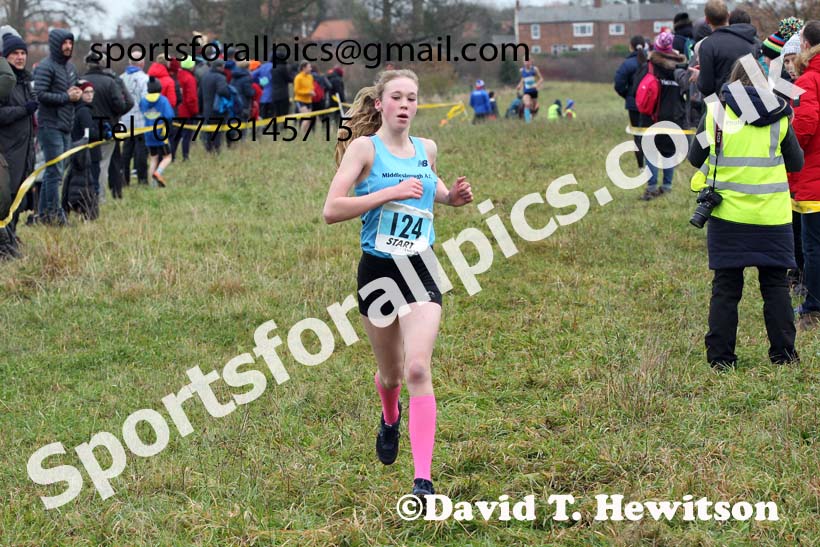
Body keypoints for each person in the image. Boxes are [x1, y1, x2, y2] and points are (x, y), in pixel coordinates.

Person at [322, 69, 473, 500]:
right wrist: (387, 194)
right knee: (390, 376)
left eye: (412, 97)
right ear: (379, 104)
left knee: (418, 368)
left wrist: (454, 198)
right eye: (398, 98)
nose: (406, 105)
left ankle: (422, 481)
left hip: (420, 268)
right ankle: (390, 418)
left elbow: (433, 192)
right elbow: (332, 209)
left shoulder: (427, 148)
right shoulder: (363, 149)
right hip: (378, 274)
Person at [689, 59, 803, 369]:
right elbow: (796, 164)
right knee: (776, 286)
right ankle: (784, 355)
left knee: (726, 288)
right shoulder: (780, 117)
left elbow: (693, 156)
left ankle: (721, 359)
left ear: (732, 80)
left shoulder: (715, 112)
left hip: (728, 216)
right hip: (772, 217)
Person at [32, 28, 81, 225]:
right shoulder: (46, 67)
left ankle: (44, 214)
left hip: (66, 124)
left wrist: (77, 95)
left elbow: (71, 91)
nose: (68, 46)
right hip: (49, 125)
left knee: (55, 171)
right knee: (55, 172)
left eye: (70, 42)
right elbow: (40, 95)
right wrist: (66, 97)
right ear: (56, 45)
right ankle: (54, 214)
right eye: (64, 43)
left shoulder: (70, 68)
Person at [790, 20, 820, 329]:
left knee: (813, 246)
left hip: (813, 177)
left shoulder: (808, 81)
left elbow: (805, 126)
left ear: (808, 46)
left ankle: (813, 307)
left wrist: (789, 151)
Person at [638, 31, 687, 200]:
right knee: (669, 151)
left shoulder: (651, 66)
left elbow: (640, 87)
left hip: (653, 116)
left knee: (650, 151)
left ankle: (651, 187)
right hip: (676, 115)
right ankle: (667, 186)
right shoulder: (681, 66)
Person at [0, 32, 36, 249]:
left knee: (19, 200)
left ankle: (12, 237)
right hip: (6, 150)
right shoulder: (5, 82)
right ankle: (6, 245)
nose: (20, 57)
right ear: (6, 57)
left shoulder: (26, 81)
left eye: (23, 53)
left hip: (25, 151)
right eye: (15, 53)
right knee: (6, 199)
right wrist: (23, 110)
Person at [82, 50, 133, 200]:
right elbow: (126, 103)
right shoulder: (111, 81)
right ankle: (101, 197)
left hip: (85, 128)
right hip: (108, 127)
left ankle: (85, 196)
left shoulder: (80, 81)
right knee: (105, 163)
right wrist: (116, 115)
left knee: (85, 163)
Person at [697, 0, 758, 97]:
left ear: (707, 20)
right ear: (728, 16)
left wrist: (698, 78)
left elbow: (706, 87)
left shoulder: (707, 45)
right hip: (746, 103)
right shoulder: (748, 40)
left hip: (719, 104)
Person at [62, 80, 99, 220]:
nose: (89, 95)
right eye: (86, 92)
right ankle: (86, 211)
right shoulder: (83, 111)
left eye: (91, 92)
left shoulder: (82, 109)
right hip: (85, 154)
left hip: (78, 151)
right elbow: (90, 133)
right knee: (86, 183)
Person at [614, 35, 648, 169]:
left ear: (630, 46)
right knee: (651, 135)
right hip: (651, 105)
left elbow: (618, 84)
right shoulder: (650, 62)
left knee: (638, 136)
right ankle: (654, 166)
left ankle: (641, 167)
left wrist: (628, 96)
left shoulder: (627, 64)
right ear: (645, 46)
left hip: (634, 105)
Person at [140, 77, 174, 187]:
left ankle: (153, 185)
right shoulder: (163, 100)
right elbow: (169, 116)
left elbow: (142, 111)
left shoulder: (143, 100)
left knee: (153, 158)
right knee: (167, 157)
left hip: (148, 133)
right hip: (161, 134)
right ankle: (158, 173)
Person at [120, 59, 149, 184]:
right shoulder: (145, 78)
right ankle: (142, 179)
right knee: (141, 150)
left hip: (126, 119)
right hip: (140, 120)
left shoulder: (121, 78)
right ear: (142, 64)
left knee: (126, 150)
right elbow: (145, 99)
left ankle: (124, 179)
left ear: (129, 63)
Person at [198, 58, 230, 154]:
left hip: (206, 109)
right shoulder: (220, 77)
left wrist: (200, 109)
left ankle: (208, 149)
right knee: (218, 132)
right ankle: (217, 150)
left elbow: (199, 94)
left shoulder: (204, 76)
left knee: (208, 131)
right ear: (219, 67)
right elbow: (222, 91)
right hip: (217, 109)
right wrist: (229, 95)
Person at [170, 56, 198, 161]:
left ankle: (172, 156)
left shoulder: (177, 76)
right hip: (186, 112)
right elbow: (192, 98)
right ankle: (185, 156)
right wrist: (194, 111)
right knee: (187, 136)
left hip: (177, 110)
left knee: (176, 136)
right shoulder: (190, 79)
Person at [293, 61, 315, 134]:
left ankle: (306, 135)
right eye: (309, 67)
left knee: (309, 119)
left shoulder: (310, 77)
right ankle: (301, 134)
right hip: (300, 100)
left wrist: (312, 92)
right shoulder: (298, 77)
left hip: (309, 100)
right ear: (304, 68)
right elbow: (296, 91)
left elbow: (311, 87)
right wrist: (307, 92)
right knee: (306, 118)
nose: (311, 69)